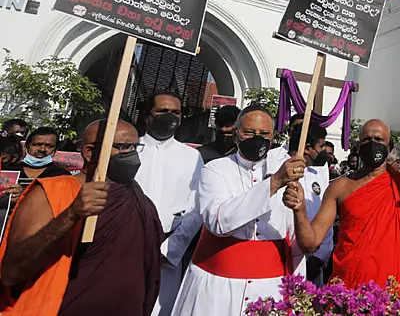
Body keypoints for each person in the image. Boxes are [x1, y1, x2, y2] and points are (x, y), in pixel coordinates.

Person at [0, 119, 162, 316]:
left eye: (135, 147)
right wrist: (71, 214)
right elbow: (11, 271)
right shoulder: (53, 192)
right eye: (122, 147)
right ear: (89, 152)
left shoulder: (139, 200)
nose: (131, 155)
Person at [171, 105, 306, 316]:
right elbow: (218, 221)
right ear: (236, 134)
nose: (257, 138)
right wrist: (274, 182)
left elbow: (293, 239)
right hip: (218, 286)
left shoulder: (288, 173)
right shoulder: (215, 169)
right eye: (250, 132)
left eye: (264, 134)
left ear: (272, 137)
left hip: (269, 286)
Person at [283, 119, 400, 292]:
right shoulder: (339, 187)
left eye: (379, 140)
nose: (373, 144)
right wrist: (299, 210)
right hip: (349, 288)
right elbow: (310, 243)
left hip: (396, 291)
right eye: (367, 139)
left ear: (389, 148)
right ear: (358, 147)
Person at [135, 93, 203, 316]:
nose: (169, 116)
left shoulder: (192, 157)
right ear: (148, 115)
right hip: (128, 244)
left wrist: (172, 247)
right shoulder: (129, 149)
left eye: (175, 112)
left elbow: (197, 207)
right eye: (162, 111)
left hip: (168, 249)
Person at [272, 122, 333, 286]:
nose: (323, 152)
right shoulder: (275, 172)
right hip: (281, 259)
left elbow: (326, 219)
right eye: (320, 147)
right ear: (307, 148)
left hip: (314, 261)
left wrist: (320, 257)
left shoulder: (317, 176)